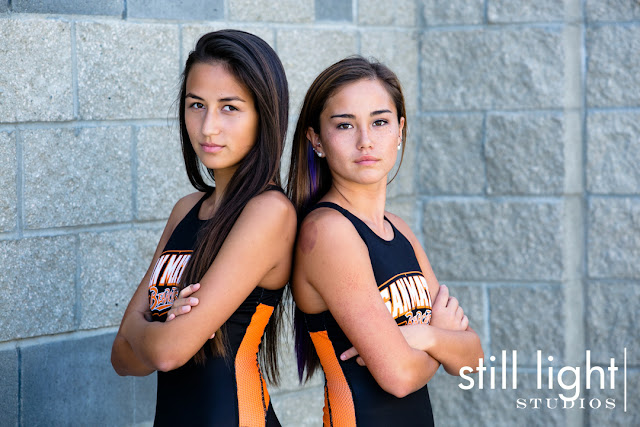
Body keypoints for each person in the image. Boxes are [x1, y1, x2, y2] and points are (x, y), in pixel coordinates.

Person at [110, 30, 296, 427]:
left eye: (229, 108)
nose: (208, 127)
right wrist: (162, 331)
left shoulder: (269, 212)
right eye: (197, 105)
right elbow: (120, 357)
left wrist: (149, 326)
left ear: (265, 114)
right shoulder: (186, 209)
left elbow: (165, 353)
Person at [287, 56, 484, 426]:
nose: (365, 141)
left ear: (400, 131)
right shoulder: (327, 232)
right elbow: (399, 377)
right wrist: (440, 336)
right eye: (345, 125)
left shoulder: (399, 229)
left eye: (379, 122)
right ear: (316, 140)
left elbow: (473, 361)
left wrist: (422, 336)